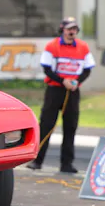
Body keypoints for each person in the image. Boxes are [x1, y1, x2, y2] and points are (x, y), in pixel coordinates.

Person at [27, 17, 95, 173]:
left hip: (72, 91)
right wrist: (62, 80)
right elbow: (47, 69)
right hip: (54, 90)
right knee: (46, 125)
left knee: (70, 127)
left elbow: (87, 69)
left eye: (74, 29)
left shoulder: (83, 47)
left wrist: (77, 81)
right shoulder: (52, 46)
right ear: (62, 30)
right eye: (69, 29)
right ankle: (37, 161)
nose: (72, 32)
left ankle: (67, 164)